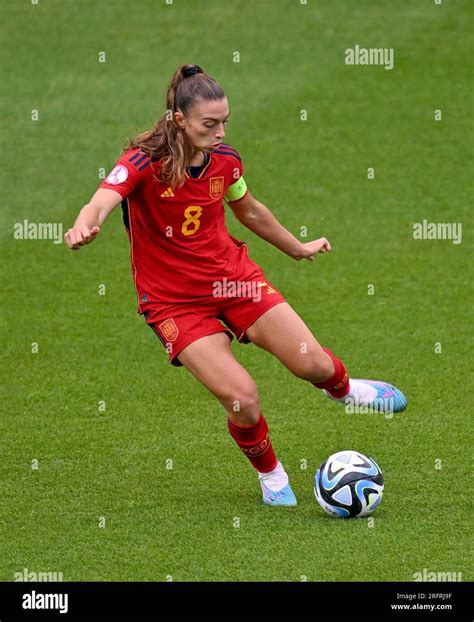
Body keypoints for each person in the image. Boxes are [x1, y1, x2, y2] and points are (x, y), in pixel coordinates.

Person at [64, 63, 407, 507]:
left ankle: (347, 391)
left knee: (313, 366)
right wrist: (83, 226)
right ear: (180, 120)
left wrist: (296, 248)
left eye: (225, 121)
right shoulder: (143, 163)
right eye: (210, 123)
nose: (221, 131)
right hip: (174, 305)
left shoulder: (225, 162)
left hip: (235, 281)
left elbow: (250, 211)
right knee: (243, 398)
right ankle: (272, 475)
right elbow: (101, 201)